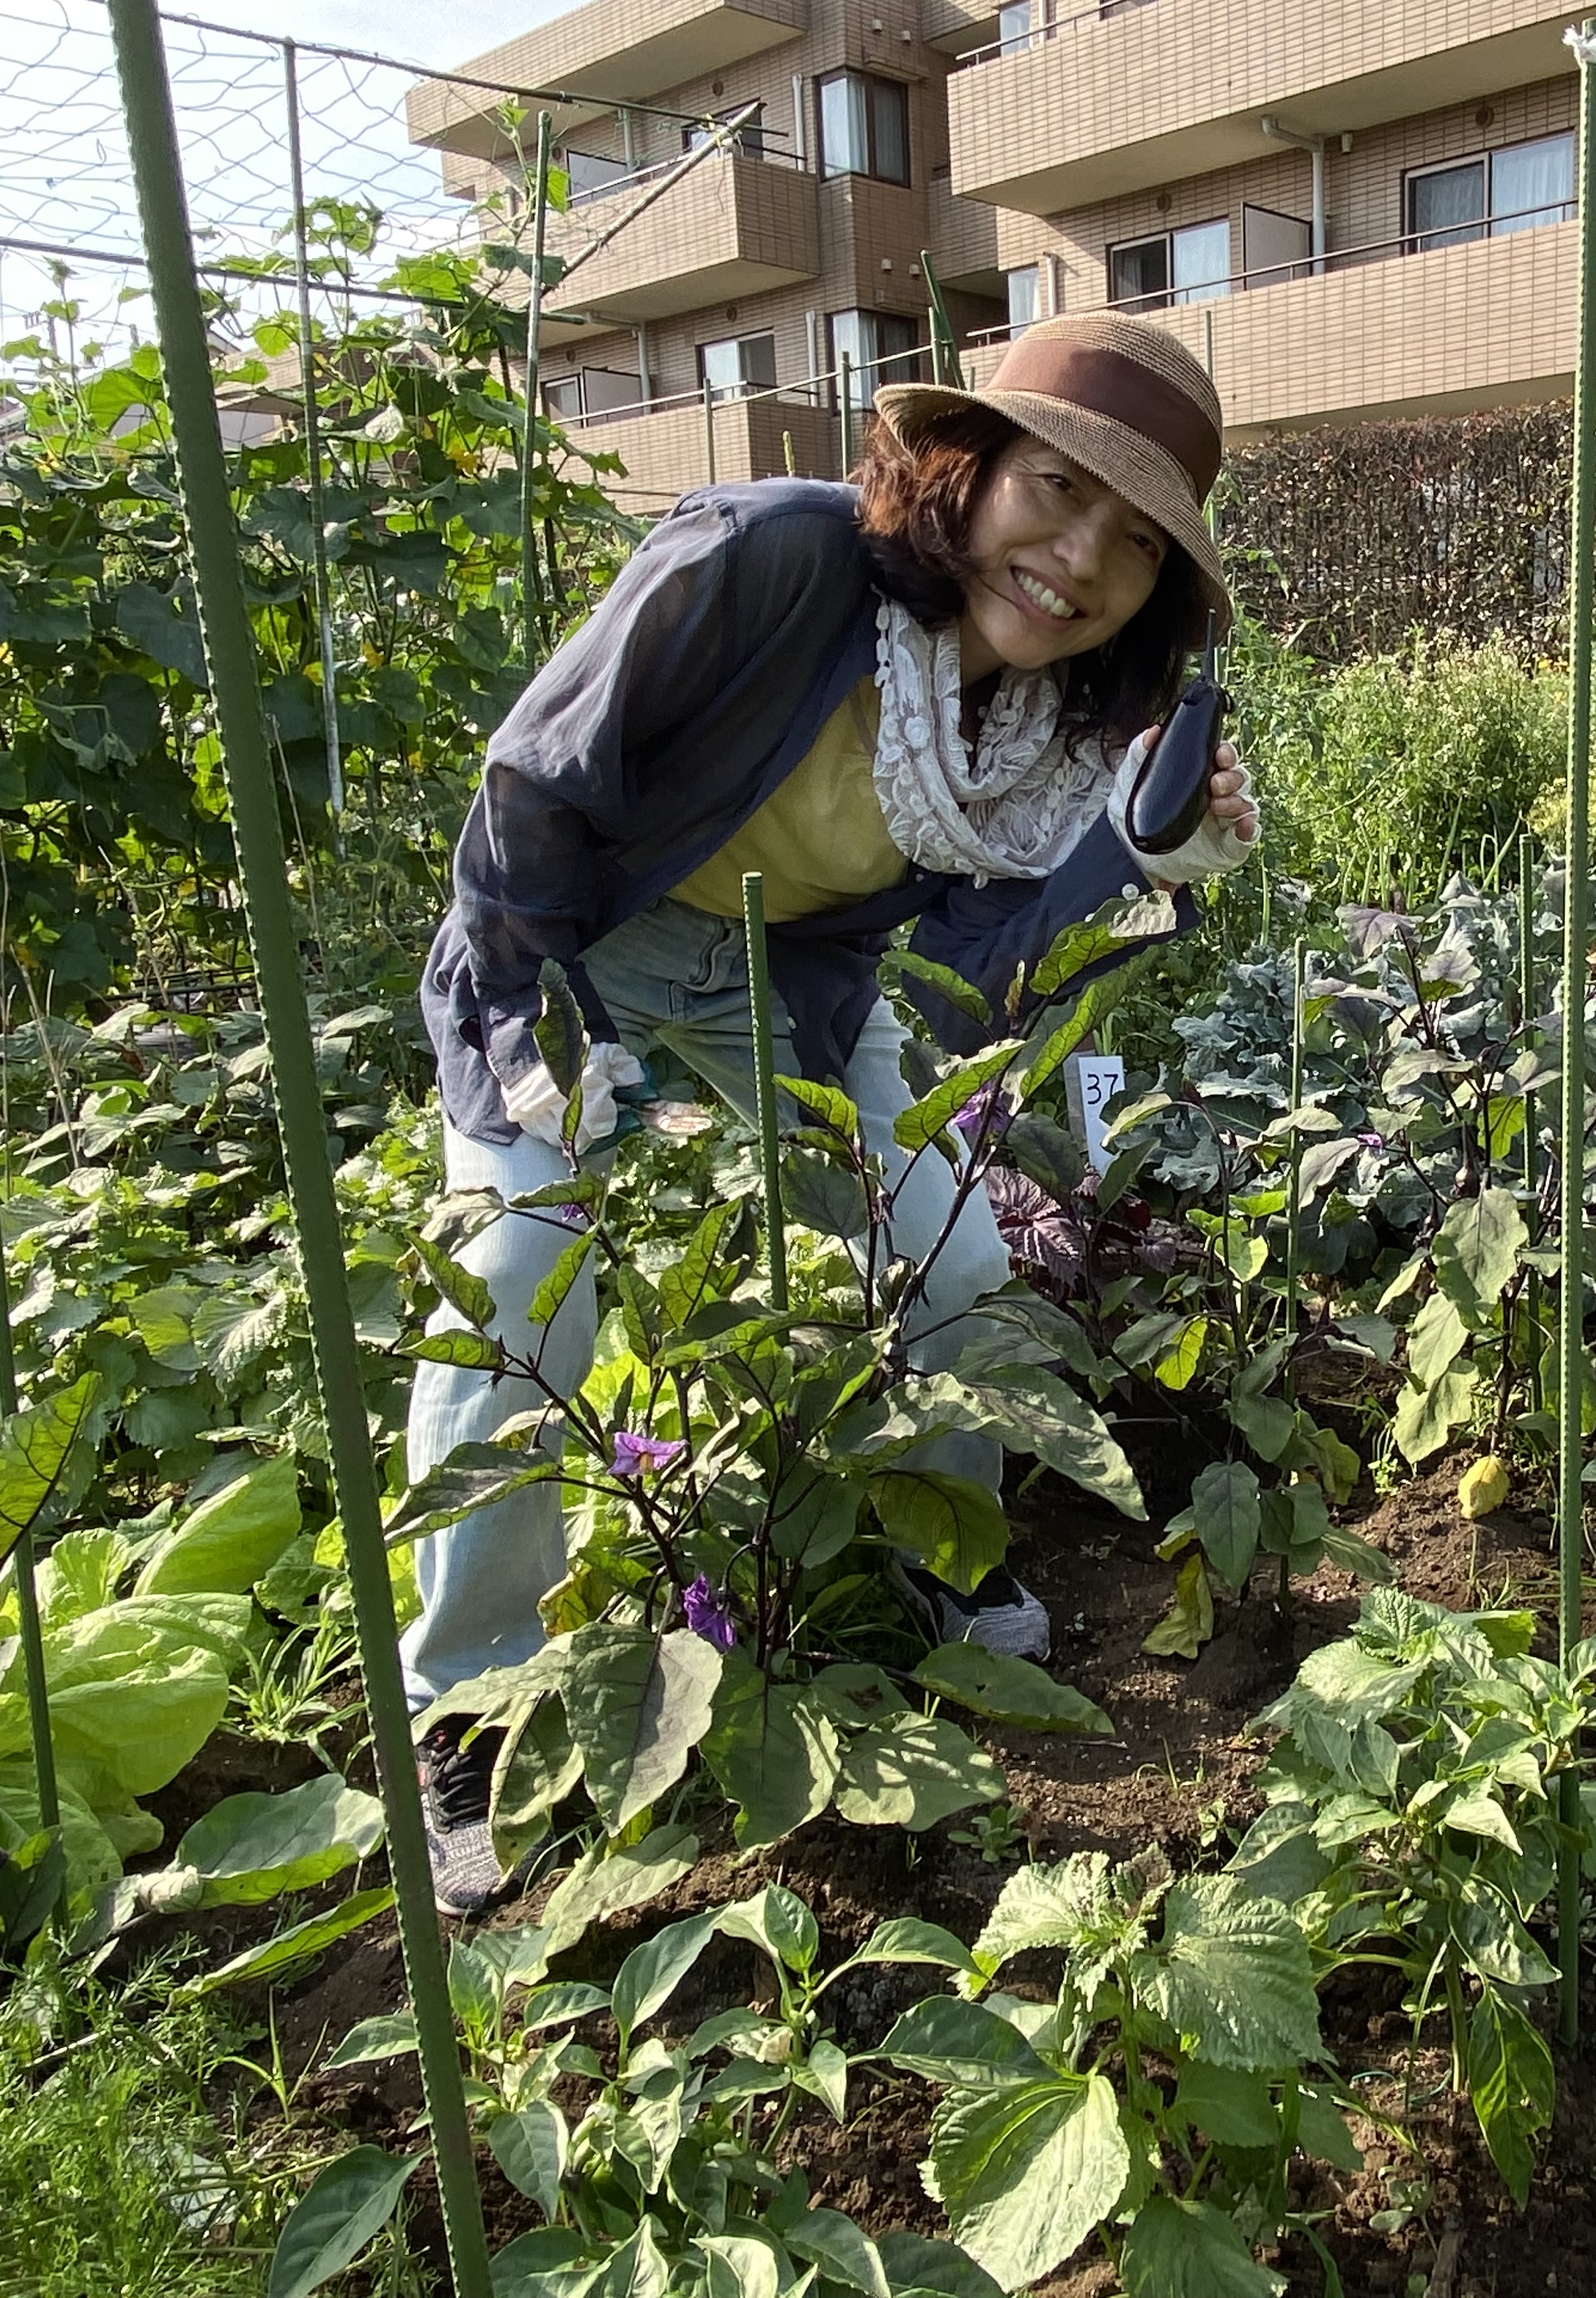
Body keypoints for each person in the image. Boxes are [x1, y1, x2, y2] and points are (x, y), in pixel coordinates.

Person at [403, 313, 1258, 1907]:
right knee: (525, 1283)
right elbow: (534, 778)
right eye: (1055, 493)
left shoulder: (1040, 741)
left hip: (784, 990)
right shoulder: (774, 559)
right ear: (970, 467)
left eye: (1133, 547)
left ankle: (951, 1560)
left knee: (952, 1268)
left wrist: (1137, 867)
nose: (1076, 560)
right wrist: (531, 1015)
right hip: (572, 946)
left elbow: (967, 974)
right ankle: (462, 1705)